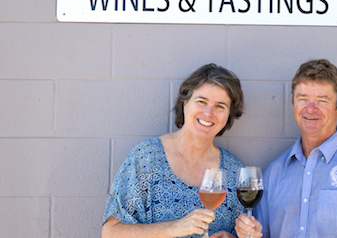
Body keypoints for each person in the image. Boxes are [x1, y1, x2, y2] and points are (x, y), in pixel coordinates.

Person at [236, 59, 337, 238]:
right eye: (303, 98)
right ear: (293, 102)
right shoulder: (274, 173)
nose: (311, 109)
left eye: (322, 100)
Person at [102, 63, 246, 238]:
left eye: (220, 106)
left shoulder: (234, 171)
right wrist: (176, 227)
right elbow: (110, 233)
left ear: (228, 116)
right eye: (201, 102)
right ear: (185, 104)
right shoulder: (146, 157)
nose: (208, 113)